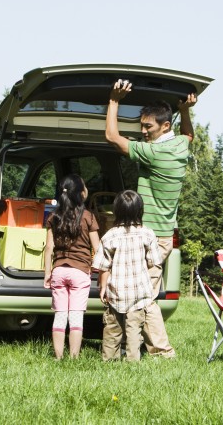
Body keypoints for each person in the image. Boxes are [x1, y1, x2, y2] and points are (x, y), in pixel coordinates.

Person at [105, 79, 197, 358]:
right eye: (142, 126)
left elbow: (112, 137)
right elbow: (189, 135)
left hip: (151, 237)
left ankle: (162, 350)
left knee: (145, 297)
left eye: (149, 127)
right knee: (146, 293)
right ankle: (156, 349)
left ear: (164, 127)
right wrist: (186, 111)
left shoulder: (155, 152)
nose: (143, 132)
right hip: (163, 235)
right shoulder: (181, 146)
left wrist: (113, 100)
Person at [93, 190, 162, 361]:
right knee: (134, 330)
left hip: (116, 291)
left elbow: (104, 266)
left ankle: (108, 359)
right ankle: (132, 361)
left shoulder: (109, 236)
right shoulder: (147, 233)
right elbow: (154, 261)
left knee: (112, 329)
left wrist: (103, 288)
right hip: (139, 292)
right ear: (140, 210)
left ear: (116, 211)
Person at [43, 174, 101, 360]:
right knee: (76, 317)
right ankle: (74, 357)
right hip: (80, 272)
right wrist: (101, 272)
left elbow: (49, 248)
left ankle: (58, 357)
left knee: (60, 316)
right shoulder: (87, 217)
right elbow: (97, 248)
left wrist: (47, 273)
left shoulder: (54, 217)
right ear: (81, 194)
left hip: (59, 271)